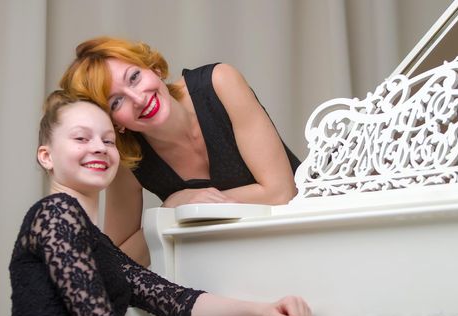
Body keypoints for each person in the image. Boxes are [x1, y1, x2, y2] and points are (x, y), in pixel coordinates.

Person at [2, 91, 312, 316]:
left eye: (108, 141)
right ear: (46, 156)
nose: (98, 147)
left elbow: (177, 302)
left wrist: (263, 310)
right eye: (81, 138)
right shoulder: (55, 212)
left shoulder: (99, 245)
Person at [60, 36, 301, 266]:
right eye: (116, 102)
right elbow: (118, 262)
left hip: (307, 229)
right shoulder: (128, 159)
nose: (138, 99)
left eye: (134, 77)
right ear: (113, 123)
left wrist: (190, 209)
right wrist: (169, 210)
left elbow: (281, 193)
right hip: (232, 265)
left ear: (153, 69)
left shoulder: (220, 83)